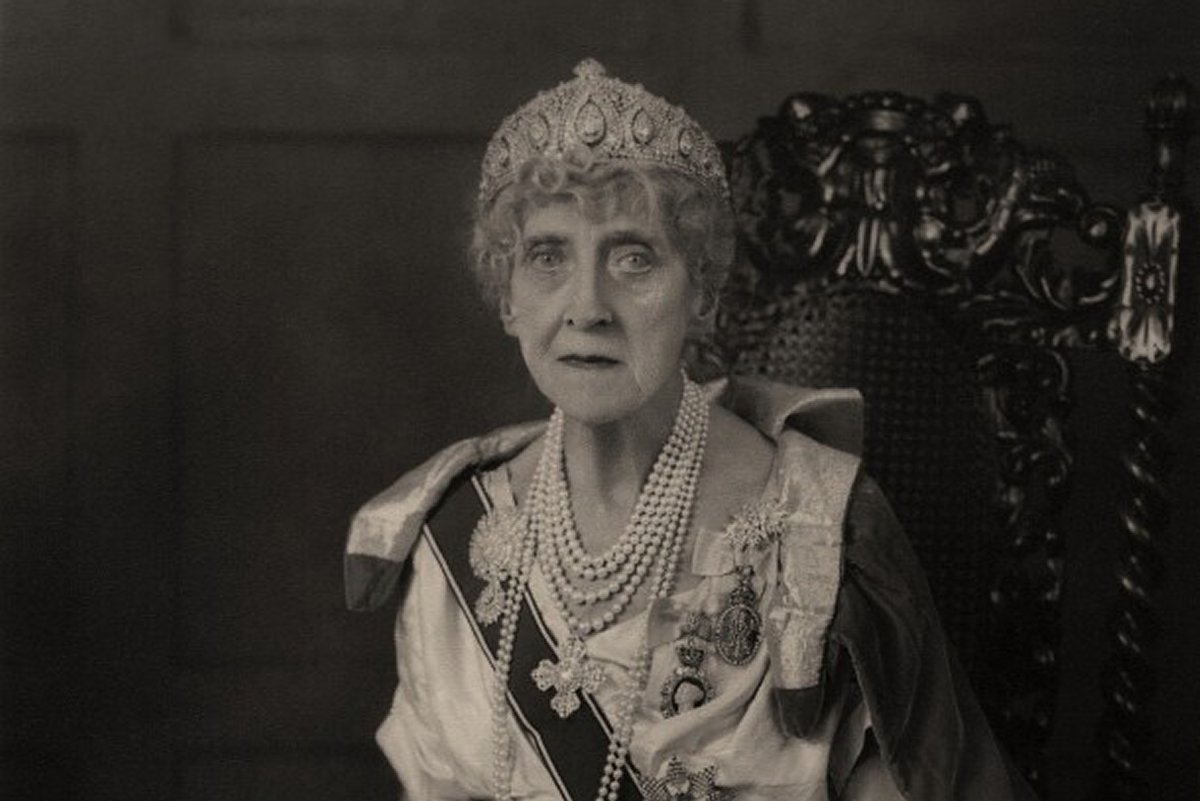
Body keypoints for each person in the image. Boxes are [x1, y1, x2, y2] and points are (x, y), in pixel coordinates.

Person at [344, 59, 1035, 801]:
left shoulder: (817, 535)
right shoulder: (450, 529)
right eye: (548, 256)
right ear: (507, 296)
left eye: (633, 257)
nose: (587, 306)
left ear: (702, 292)